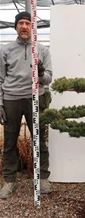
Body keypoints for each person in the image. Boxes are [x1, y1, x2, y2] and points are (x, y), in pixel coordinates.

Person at [0, 11, 53, 199]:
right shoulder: (5, 50)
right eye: (20, 23)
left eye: (27, 23)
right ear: (16, 26)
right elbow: (0, 79)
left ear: (32, 27)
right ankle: (9, 181)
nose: (24, 26)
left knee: (40, 140)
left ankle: (43, 178)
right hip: (11, 99)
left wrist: (39, 74)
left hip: (35, 98)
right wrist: (0, 103)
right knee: (9, 142)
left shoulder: (42, 50)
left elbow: (49, 78)